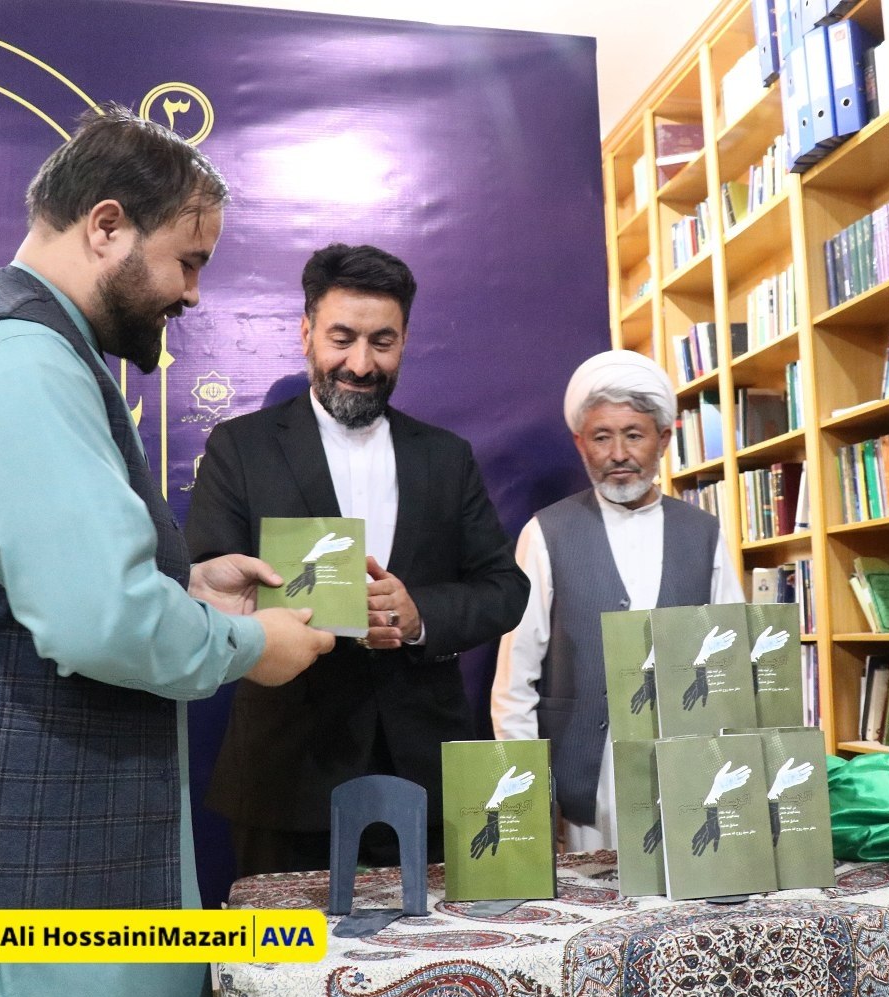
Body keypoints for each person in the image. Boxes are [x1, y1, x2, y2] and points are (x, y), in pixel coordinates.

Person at [0, 105, 333, 997]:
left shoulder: (28, 351)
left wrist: (184, 585)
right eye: (189, 260)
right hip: (2, 910)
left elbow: (34, 586)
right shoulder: (17, 361)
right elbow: (99, 620)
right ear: (107, 225)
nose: (193, 294)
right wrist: (249, 646)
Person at [186, 243, 528, 875]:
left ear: (404, 342)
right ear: (306, 334)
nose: (361, 364)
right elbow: (207, 583)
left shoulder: (446, 456)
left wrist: (419, 614)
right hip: (286, 774)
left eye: (382, 342)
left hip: (426, 778)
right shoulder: (241, 448)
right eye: (342, 339)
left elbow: (504, 588)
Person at [492, 350, 744, 849]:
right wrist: (530, 796)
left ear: (664, 439)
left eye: (633, 435)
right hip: (582, 781)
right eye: (602, 437)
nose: (618, 454)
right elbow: (515, 682)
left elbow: (731, 667)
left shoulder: (705, 534)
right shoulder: (545, 533)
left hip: (684, 775)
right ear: (580, 444)